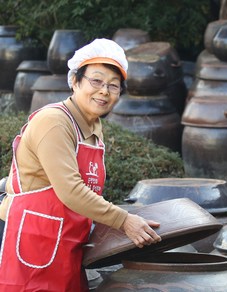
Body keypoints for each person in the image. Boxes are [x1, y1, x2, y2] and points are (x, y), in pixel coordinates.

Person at [0, 38, 161, 291]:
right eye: (96, 81)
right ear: (75, 81)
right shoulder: (54, 121)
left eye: (114, 86)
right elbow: (70, 190)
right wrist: (123, 220)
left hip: (68, 241)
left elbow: (90, 192)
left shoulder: (94, 128)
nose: (104, 91)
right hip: (32, 239)